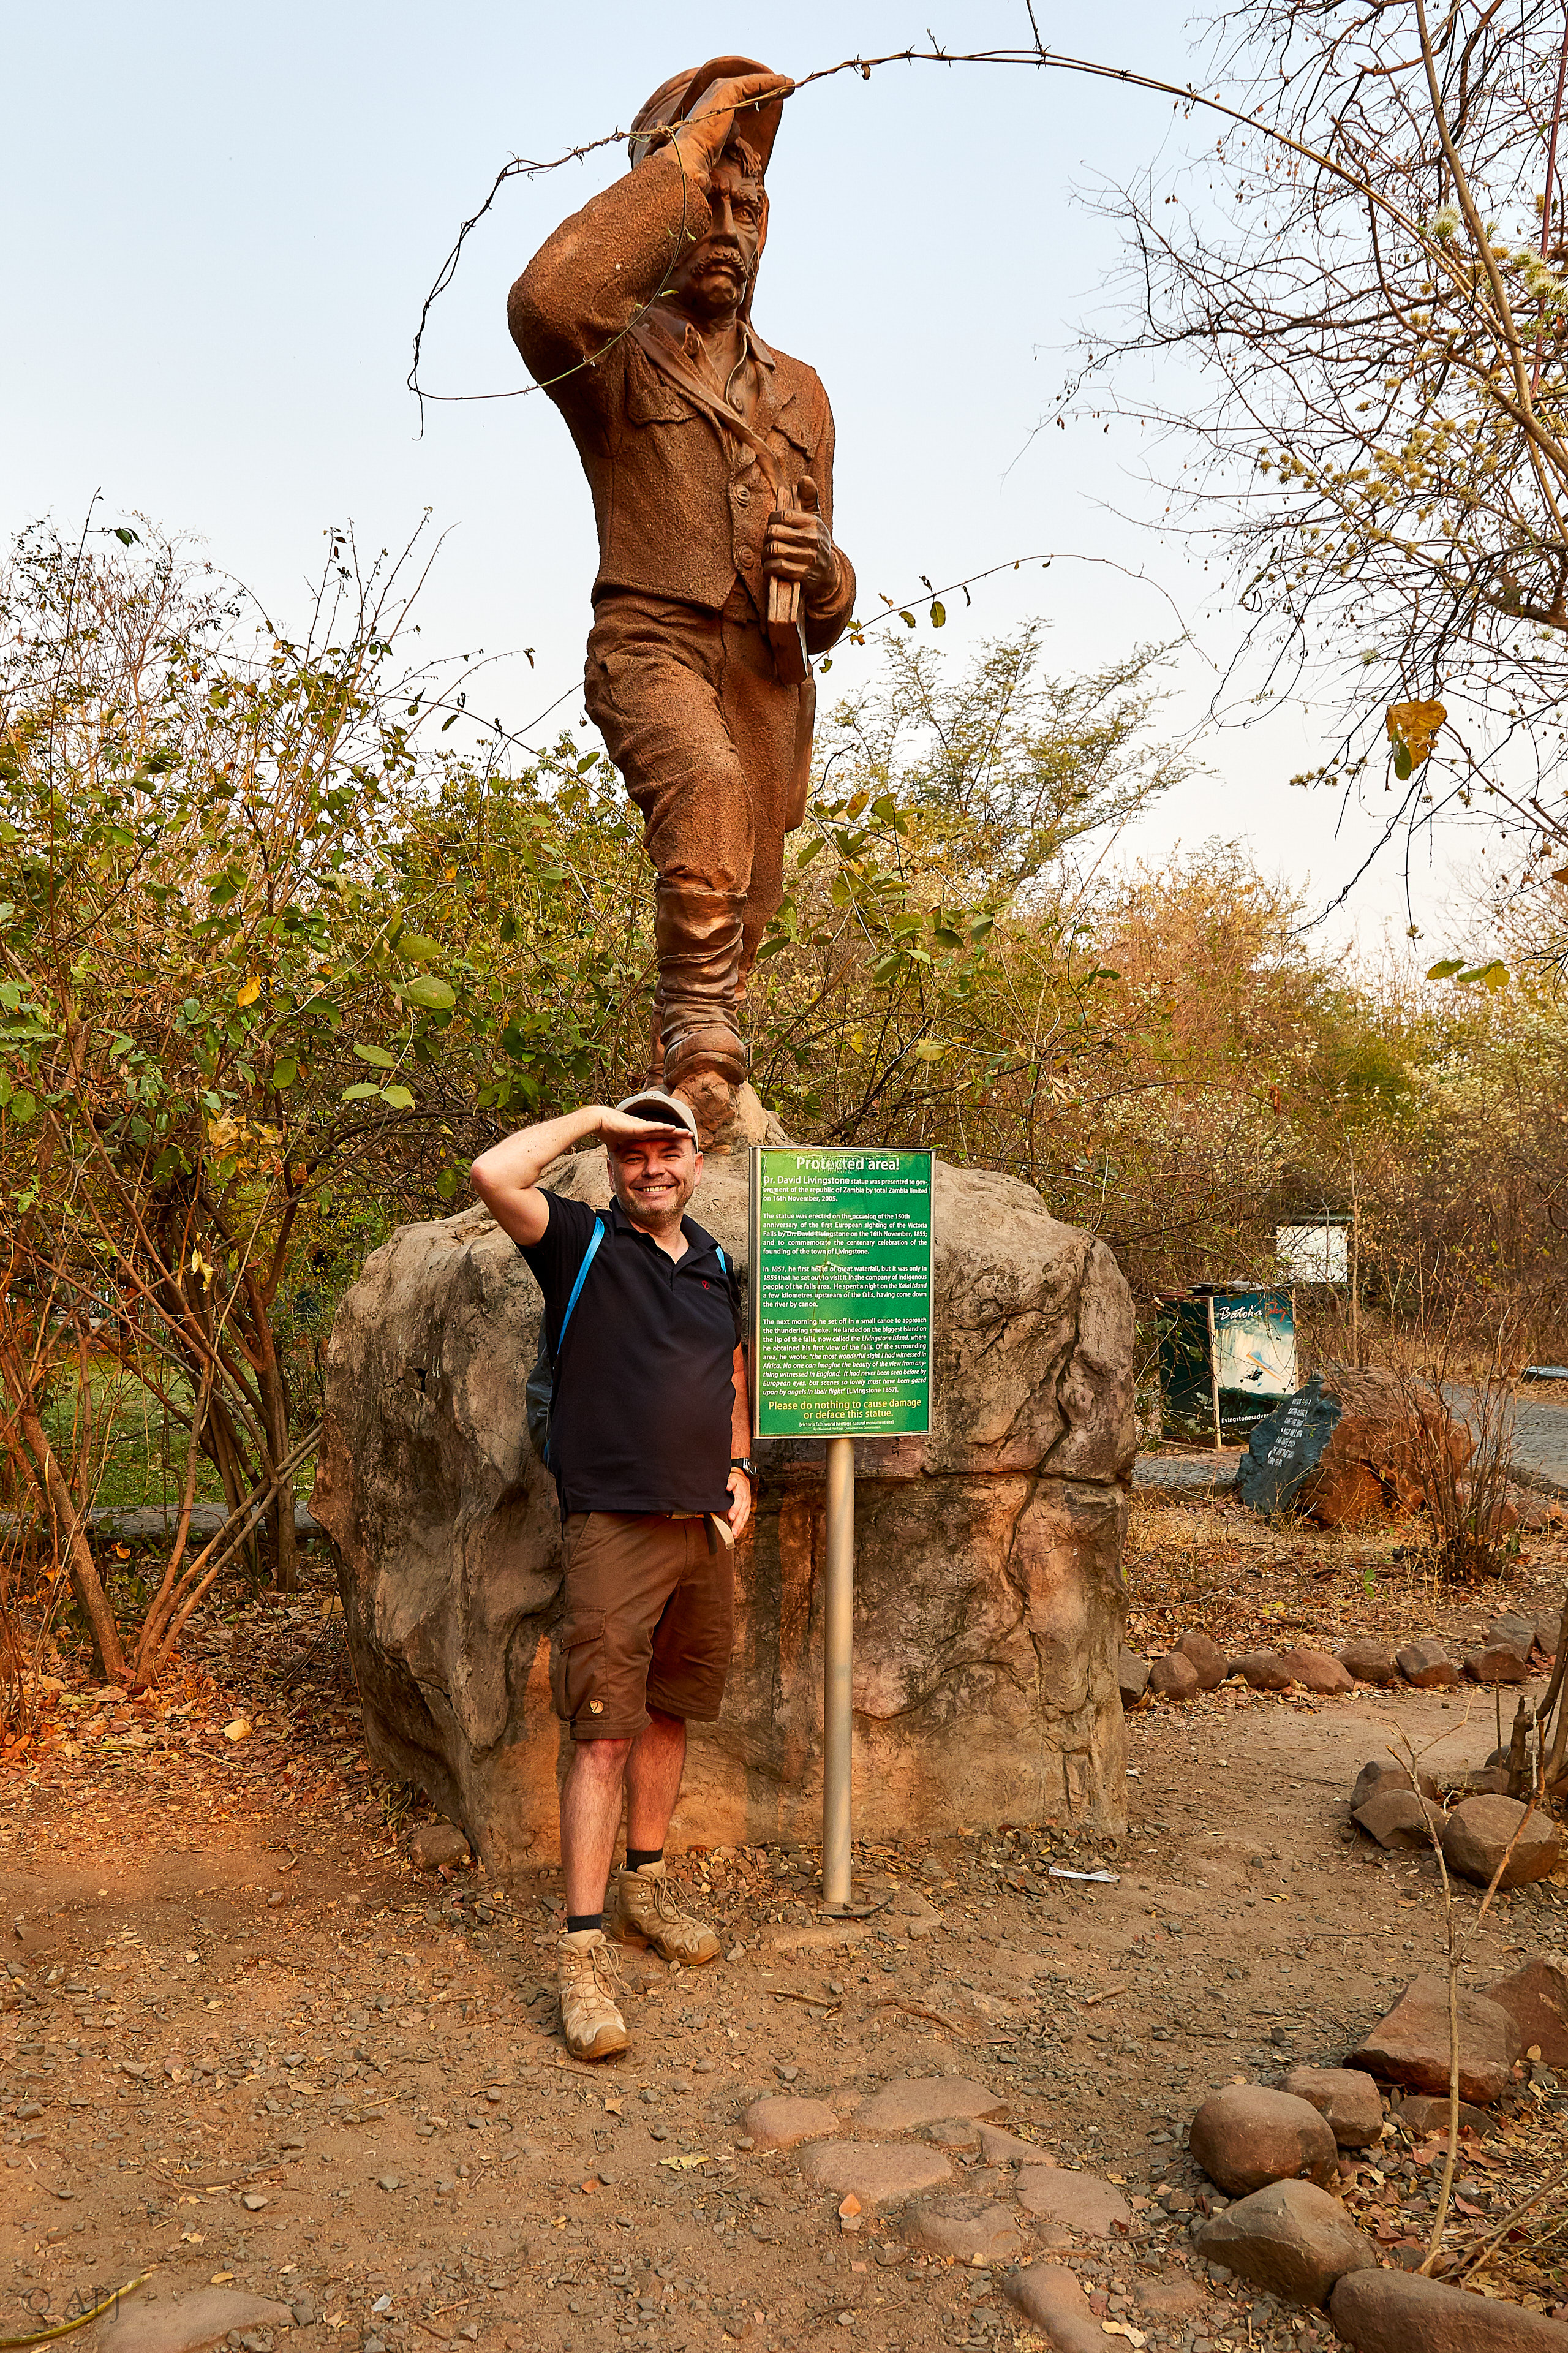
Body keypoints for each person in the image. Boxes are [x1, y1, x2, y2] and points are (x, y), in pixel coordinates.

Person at [509, 56, 857, 1139]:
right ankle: (697, 1046)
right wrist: (687, 154)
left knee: (749, 892)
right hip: (651, 638)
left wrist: (830, 572)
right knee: (703, 794)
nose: (728, 227)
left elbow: (832, 597)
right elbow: (547, 295)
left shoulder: (800, 389)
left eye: (746, 206)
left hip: (762, 666)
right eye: (707, 204)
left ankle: (715, 1084)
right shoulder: (611, 353)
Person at [470, 1089, 756, 2061]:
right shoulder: (577, 1242)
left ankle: (646, 1890)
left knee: (669, 1713)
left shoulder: (717, 1262)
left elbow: (732, 1376)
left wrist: (741, 1465)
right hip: (611, 1531)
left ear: (696, 1161)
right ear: (613, 1163)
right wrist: (598, 1114)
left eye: (667, 1148)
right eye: (634, 1152)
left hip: (701, 1531)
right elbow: (492, 1175)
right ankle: (582, 1955)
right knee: (600, 1735)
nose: (652, 1166)